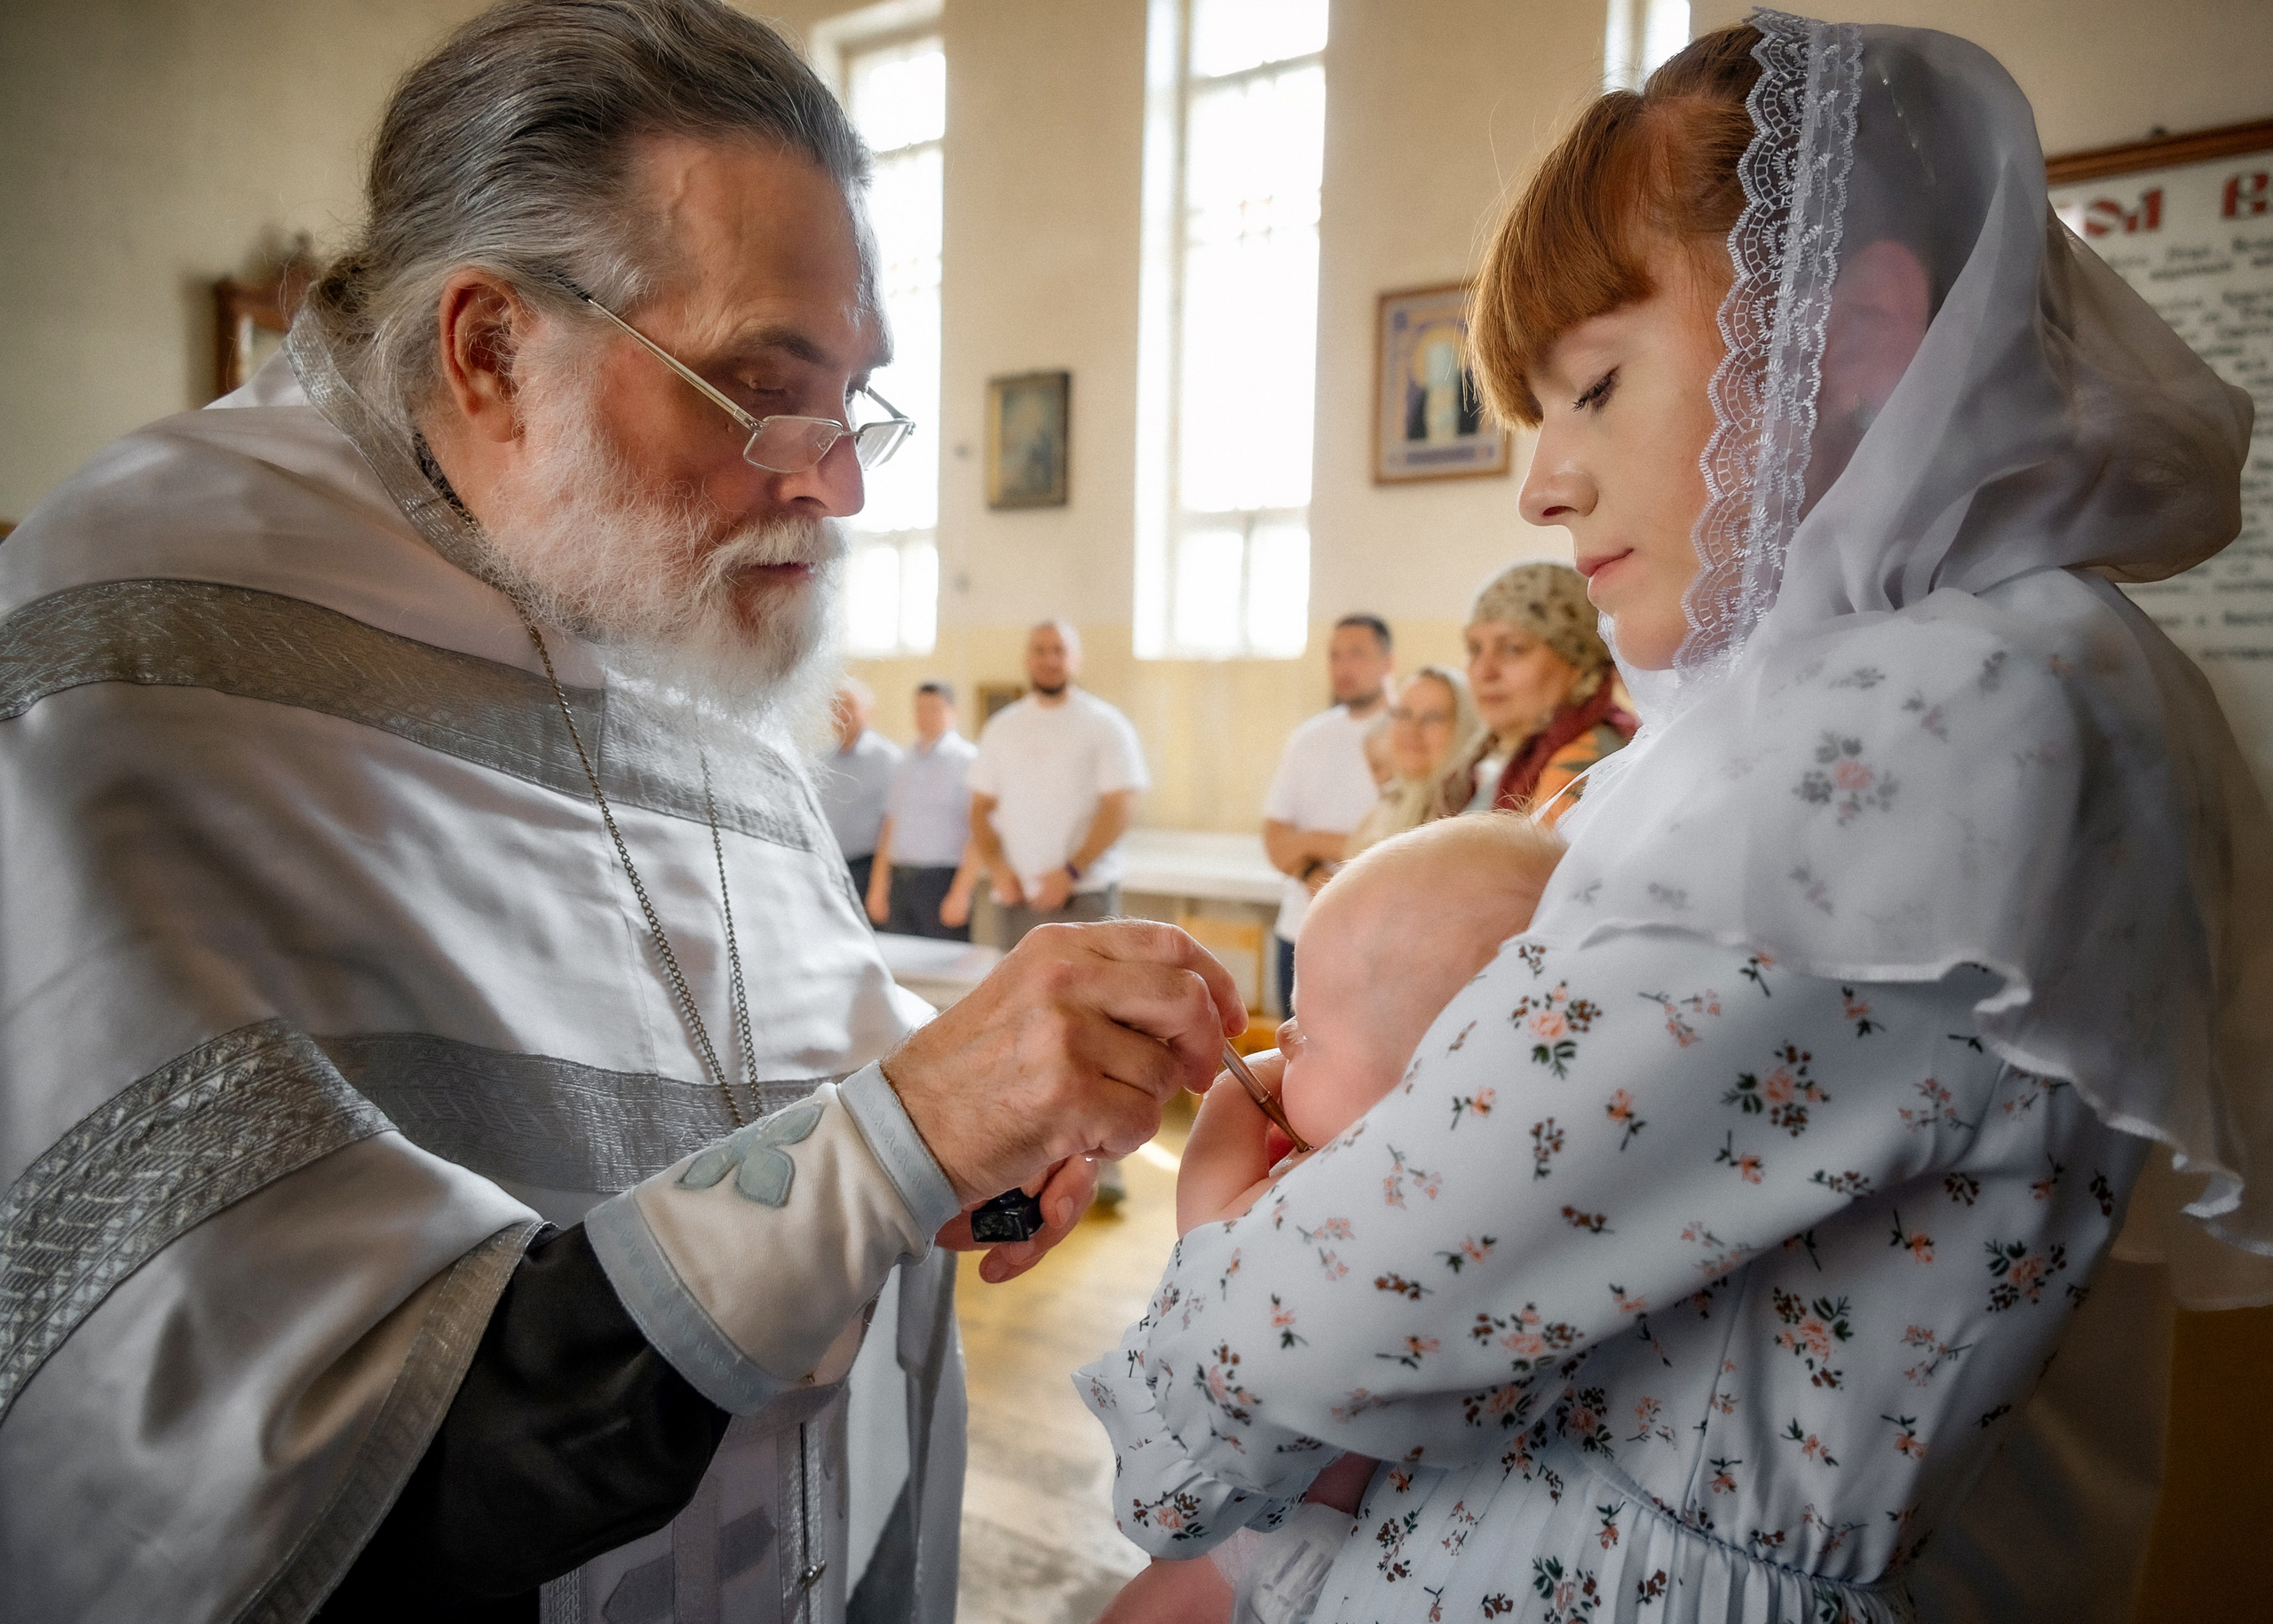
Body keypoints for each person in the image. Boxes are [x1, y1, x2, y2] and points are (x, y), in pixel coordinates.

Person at [0, 5, 1250, 1621]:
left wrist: (991, 1129)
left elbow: (773, 1067)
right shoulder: (146, 644)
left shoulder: (654, 612)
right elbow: (300, 1461)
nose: (838, 483)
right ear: (491, 348)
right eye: (756, 387)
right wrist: (910, 1130)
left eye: (853, 398)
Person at [1074, 15, 2273, 1624]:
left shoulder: (1941, 719)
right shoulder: (1969, 678)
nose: (1543, 482)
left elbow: (1353, 1301)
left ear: (1851, 338)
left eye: (1593, 386)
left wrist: (1220, 1227)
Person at [1100, 813, 1569, 1623]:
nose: (1280, 1036)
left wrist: (1229, 1094)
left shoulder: (1351, 1211)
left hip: (1290, 1548)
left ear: (1422, 1084)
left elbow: (1210, 1236)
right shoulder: (1521, 1193)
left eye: (1306, 1031)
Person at [966, 619, 1149, 947]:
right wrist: (998, 868)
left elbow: (1119, 807)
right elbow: (980, 808)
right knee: (1019, 998)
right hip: (1015, 896)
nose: (1049, 659)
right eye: (1039, 650)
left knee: (1089, 997)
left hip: (1084, 894)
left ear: (1076, 659)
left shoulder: (1105, 724)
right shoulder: (1001, 727)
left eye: (1059, 651)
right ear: (1026, 659)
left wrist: (1071, 873)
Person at [1260, 614, 1398, 1006]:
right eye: (1335, 656)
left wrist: (1309, 841)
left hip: (1375, 933)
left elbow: (1405, 839)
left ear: (1388, 662)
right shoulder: (1308, 739)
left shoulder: (1408, 732)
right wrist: (1310, 872)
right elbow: (1274, 841)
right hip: (1300, 929)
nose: (1343, 667)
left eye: (1356, 654)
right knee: (1291, 1058)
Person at [1453, 560, 1637, 824]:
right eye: (1474, 649)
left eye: (1513, 648)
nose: (1484, 671)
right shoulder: (1497, 761)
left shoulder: (1587, 766)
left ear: (1578, 664)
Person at [865, 679, 978, 939]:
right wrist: (878, 886)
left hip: (941, 882)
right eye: (920, 709)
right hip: (900, 881)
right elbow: (890, 824)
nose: (925, 716)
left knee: (942, 970)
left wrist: (961, 893)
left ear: (953, 712)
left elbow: (978, 832)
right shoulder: (904, 761)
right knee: (902, 965)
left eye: (934, 708)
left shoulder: (967, 761)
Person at [1344, 662, 1484, 858]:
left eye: (1433, 717)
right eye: (1404, 714)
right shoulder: (1382, 811)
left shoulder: (1477, 813)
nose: (1412, 730)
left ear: (1464, 729)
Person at [817, 675, 901, 899]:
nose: (841, 712)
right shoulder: (822, 761)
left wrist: (879, 884)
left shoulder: (888, 759)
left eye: (850, 705)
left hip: (868, 869)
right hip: (828, 867)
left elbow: (892, 822)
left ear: (869, 711)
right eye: (836, 705)